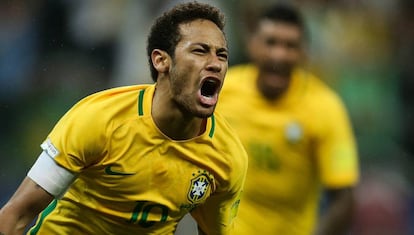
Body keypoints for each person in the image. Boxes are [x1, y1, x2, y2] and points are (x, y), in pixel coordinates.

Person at [0, 2, 248, 234]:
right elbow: (17, 214)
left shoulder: (226, 157)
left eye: (222, 55)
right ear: (161, 60)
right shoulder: (99, 119)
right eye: (200, 51)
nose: (215, 63)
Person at [216, 3, 359, 235]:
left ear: (303, 53)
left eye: (290, 46)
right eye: (270, 42)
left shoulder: (326, 108)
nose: (279, 55)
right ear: (252, 45)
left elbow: (344, 198)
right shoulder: (223, 91)